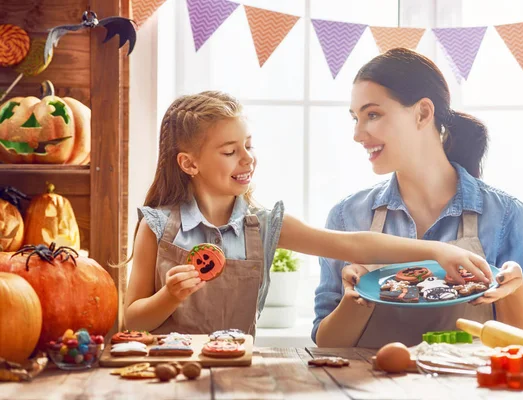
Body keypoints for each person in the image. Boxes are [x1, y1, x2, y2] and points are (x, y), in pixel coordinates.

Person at [122, 91, 491, 337]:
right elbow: (131, 320)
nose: (247, 158)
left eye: (248, 146)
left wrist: (438, 251)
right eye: (229, 150)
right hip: (161, 378)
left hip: (235, 373)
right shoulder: (157, 226)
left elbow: (352, 245)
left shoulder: (263, 226)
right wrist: (168, 296)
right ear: (189, 163)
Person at [313, 48, 523, 349]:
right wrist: (357, 298)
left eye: (372, 114)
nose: (358, 133)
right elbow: (325, 344)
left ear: (423, 113)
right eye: (355, 118)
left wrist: (514, 292)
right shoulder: (347, 217)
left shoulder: (504, 215)